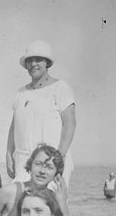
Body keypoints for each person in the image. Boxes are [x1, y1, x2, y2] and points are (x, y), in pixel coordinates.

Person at [6, 40, 77, 186]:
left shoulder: (60, 88)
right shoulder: (21, 92)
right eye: (30, 61)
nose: (33, 64)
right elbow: (15, 126)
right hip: (23, 161)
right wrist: (8, 154)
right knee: (21, 204)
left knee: (49, 206)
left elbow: (70, 124)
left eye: (38, 60)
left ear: (47, 63)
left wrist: (59, 159)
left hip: (50, 163)